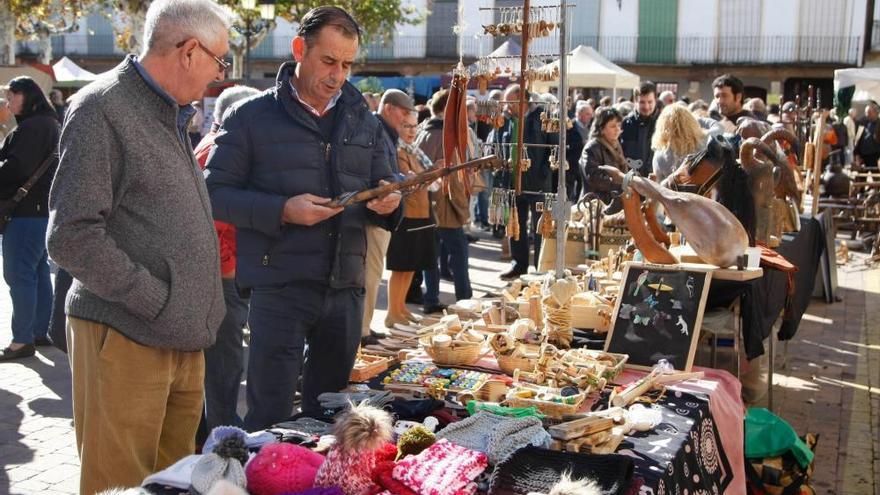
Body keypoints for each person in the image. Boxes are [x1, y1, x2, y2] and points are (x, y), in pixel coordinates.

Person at [46, 1, 230, 492]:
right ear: (190, 51)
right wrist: (156, 301)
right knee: (121, 484)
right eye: (220, 60)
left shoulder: (168, 112)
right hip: (127, 333)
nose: (219, 74)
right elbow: (71, 235)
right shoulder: (101, 107)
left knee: (174, 482)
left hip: (179, 337)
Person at [205, 6, 401, 429]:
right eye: (329, 61)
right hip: (280, 289)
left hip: (346, 289)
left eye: (347, 64)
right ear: (299, 50)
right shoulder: (250, 117)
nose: (337, 75)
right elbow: (212, 193)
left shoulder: (364, 122)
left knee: (330, 418)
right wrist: (282, 210)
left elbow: (387, 182)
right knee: (270, 418)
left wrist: (390, 201)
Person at [192, 84, 261, 440]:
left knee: (224, 363)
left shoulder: (216, 144)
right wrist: (231, 268)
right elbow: (213, 218)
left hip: (228, 272)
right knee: (224, 365)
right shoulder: (217, 149)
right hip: (223, 275)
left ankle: (213, 432)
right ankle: (221, 442)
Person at [0, 77, 60, 361]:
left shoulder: (33, 127)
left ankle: (21, 340)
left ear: (28, 96)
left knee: (18, 274)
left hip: (25, 212)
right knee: (36, 272)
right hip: (40, 211)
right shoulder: (48, 124)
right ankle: (38, 331)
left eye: (12, 96)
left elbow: (17, 168)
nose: (9, 103)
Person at [415, 89, 474, 305]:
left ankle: (431, 298)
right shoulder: (445, 135)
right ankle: (464, 298)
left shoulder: (422, 131)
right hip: (444, 201)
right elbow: (453, 176)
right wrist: (461, 206)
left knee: (432, 254)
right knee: (458, 252)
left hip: (425, 202)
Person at [362, 88, 413, 342]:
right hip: (374, 214)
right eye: (403, 112)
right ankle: (362, 330)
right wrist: (401, 181)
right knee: (370, 276)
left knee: (373, 274)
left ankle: (365, 326)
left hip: (381, 214)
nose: (406, 119)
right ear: (389, 108)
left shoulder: (384, 131)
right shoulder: (377, 130)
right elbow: (380, 173)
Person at [385, 111, 437, 327]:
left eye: (414, 126)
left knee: (411, 266)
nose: (411, 131)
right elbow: (408, 182)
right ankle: (392, 313)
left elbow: (422, 180)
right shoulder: (398, 152)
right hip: (407, 215)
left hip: (421, 213)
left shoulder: (414, 151)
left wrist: (434, 172)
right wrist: (433, 173)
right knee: (401, 266)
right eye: (406, 126)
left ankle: (401, 309)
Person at [501, 90, 553, 280]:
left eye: (511, 102)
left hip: (537, 182)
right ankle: (518, 265)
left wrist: (543, 174)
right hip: (514, 182)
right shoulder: (507, 119)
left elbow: (552, 148)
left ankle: (540, 266)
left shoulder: (541, 118)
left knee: (539, 227)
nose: (507, 106)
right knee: (516, 225)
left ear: (522, 101)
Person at [651, 103, 723, 183]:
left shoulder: (660, 155)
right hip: (703, 193)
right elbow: (719, 127)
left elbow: (658, 186)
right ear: (691, 121)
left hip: (674, 194)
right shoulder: (705, 141)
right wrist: (696, 120)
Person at [580, 107, 628, 209]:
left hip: (613, 202)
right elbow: (594, 178)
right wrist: (621, 183)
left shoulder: (616, 145)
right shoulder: (592, 148)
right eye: (612, 126)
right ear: (601, 129)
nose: (617, 129)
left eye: (619, 125)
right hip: (595, 205)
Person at [620, 81, 661, 177]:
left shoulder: (663, 125)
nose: (646, 107)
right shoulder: (624, 124)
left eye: (650, 102)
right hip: (630, 181)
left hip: (656, 182)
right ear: (635, 101)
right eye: (642, 102)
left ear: (656, 100)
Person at [855, 103, 880, 170]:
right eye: (866, 112)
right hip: (863, 157)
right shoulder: (862, 123)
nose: (866, 114)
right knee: (860, 179)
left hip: (876, 157)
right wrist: (857, 154)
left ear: (876, 113)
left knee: (876, 179)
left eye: (869, 112)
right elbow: (858, 139)